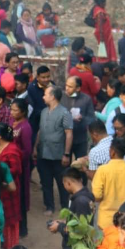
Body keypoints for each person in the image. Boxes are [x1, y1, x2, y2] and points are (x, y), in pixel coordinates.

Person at [35, 85, 73, 214]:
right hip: (43, 152)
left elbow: (68, 133)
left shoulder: (65, 113)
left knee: (62, 182)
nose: (43, 97)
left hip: (58, 153)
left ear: (52, 97)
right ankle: (49, 206)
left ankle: (64, 206)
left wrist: (66, 154)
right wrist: (35, 147)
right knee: (46, 182)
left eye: (45, 94)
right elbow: (40, 131)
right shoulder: (44, 112)